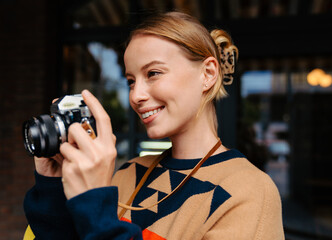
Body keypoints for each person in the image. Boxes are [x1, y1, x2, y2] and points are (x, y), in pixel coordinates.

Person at [23, 11, 284, 240]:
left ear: (207, 74)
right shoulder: (128, 172)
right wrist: (52, 187)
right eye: (130, 81)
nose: (136, 96)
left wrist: (96, 202)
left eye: (153, 73)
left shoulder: (248, 191)